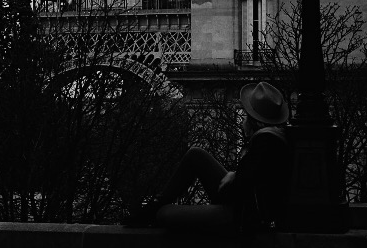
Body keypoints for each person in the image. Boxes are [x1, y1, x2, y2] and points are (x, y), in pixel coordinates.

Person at [125, 81, 291, 232]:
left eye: (246, 116)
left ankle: (155, 207)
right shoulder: (274, 140)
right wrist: (235, 175)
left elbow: (237, 191)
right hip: (241, 209)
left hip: (240, 216)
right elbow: (251, 178)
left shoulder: (265, 142)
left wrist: (234, 179)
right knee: (196, 153)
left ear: (256, 122)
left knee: (164, 214)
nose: (242, 122)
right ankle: (156, 205)